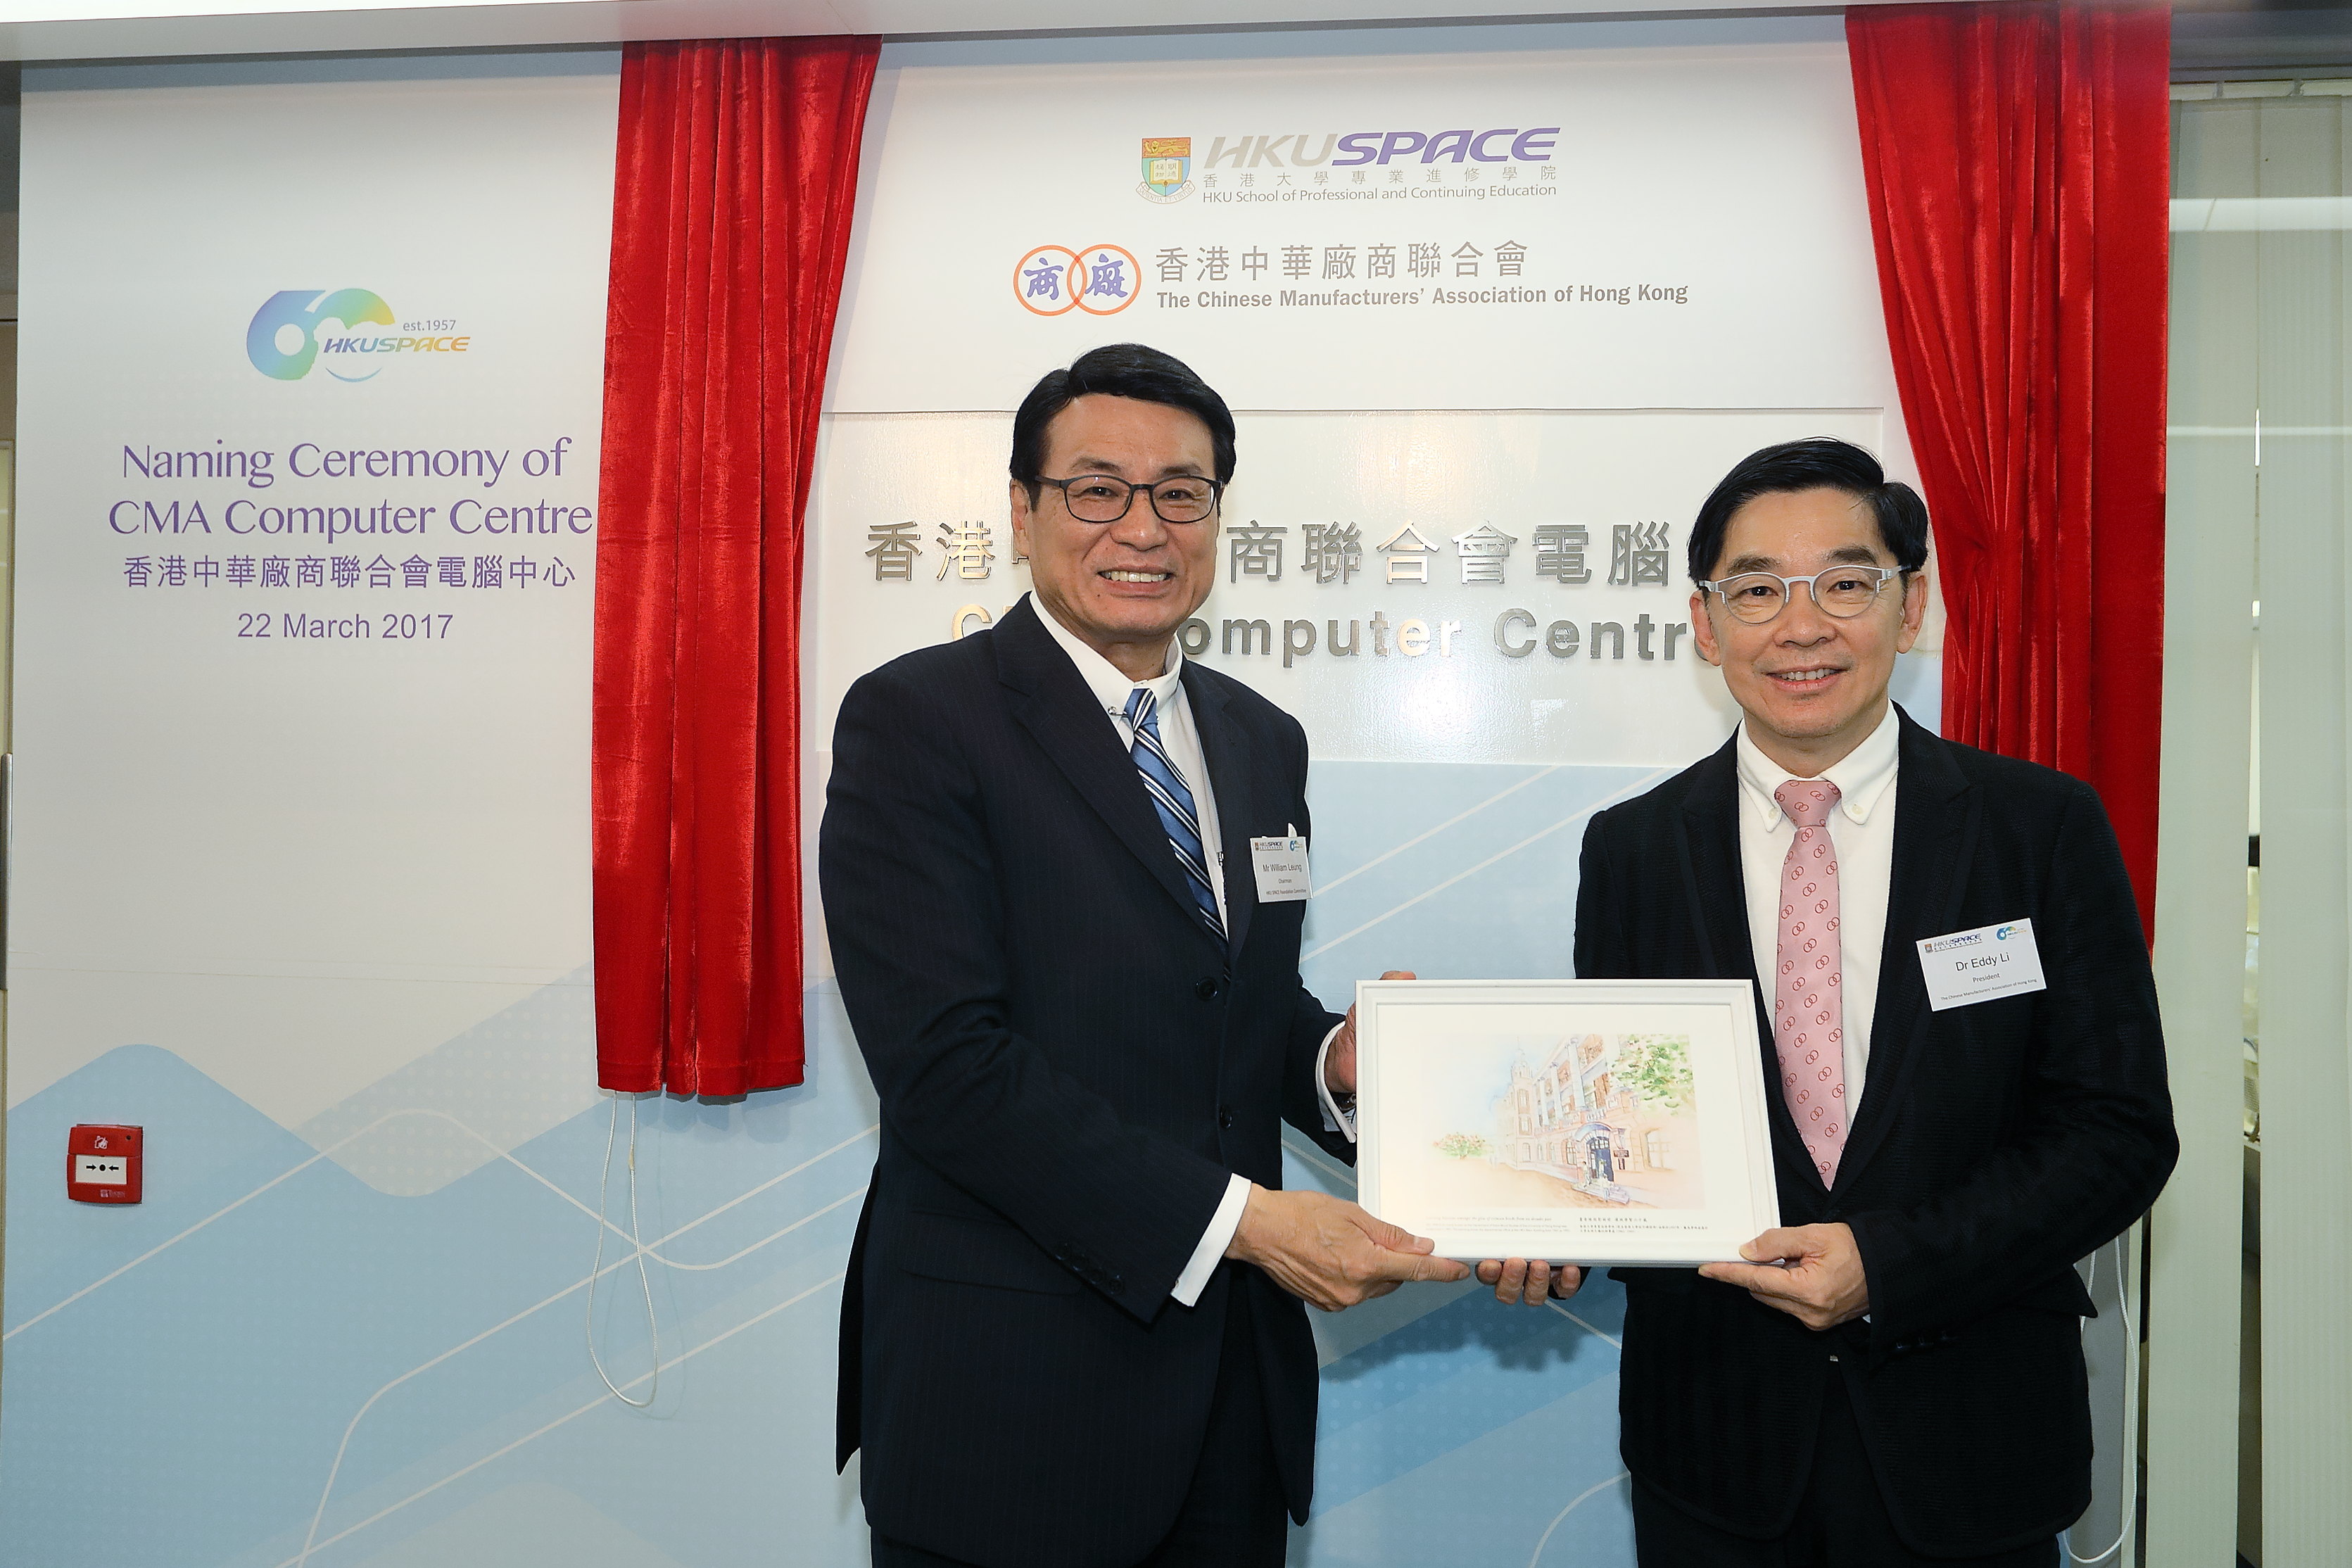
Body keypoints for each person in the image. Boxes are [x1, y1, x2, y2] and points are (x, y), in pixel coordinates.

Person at [820, 342, 1467, 1568]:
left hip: (1229, 1400)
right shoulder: (919, 719)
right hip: (1009, 1400)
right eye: (1096, 489)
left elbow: (1228, 1000)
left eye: (1181, 492)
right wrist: (1252, 1225)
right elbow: (947, 1069)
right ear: (1023, 513)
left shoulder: (1260, 737)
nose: (1142, 526)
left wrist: (1332, 1060)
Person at [1480, 438, 2176, 1566]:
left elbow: (2117, 1131)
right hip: (1717, 1442)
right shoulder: (1634, 850)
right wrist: (1548, 1227)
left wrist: (1888, 1263)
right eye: (1755, 590)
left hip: (1969, 1433)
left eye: (1845, 583)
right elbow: (1623, 1124)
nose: (1800, 627)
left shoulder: (2037, 829)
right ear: (1705, 624)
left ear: (1911, 608)